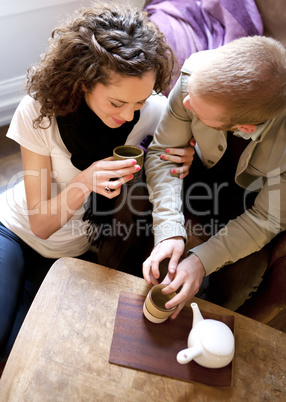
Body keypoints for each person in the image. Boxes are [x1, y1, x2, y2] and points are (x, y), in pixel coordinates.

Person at [0, 4, 195, 359]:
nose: (128, 115)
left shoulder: (147, 112)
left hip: (69, 255)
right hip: (14, 231)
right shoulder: (38, 111)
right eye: (118, 102)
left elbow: (176, 137)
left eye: (138, 102)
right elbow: (40, 223)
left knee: (20, 353)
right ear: (84, 81)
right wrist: (87, 180)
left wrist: (187, 150)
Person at [143, 35, 286, 318]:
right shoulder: (194, 79)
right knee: (157, 256)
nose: (184, 102)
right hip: (196, 178)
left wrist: (202, 262)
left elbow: (265, 218)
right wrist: (169, 228)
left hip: (250, 205)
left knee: (237, 287)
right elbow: (163, 153)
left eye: (197, 109)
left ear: (243, 128)